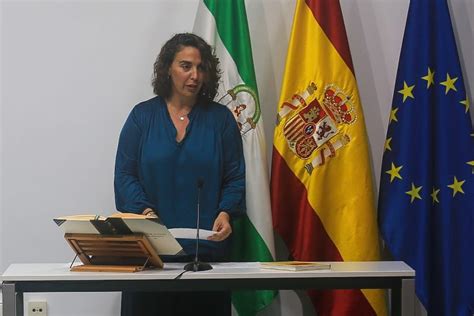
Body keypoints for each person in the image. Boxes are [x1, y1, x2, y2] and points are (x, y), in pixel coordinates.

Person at [114, 33, 245, 316]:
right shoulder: (142, 117)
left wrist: (225, 212)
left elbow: (234, 177)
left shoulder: (221, 119)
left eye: (201, 68)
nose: (195, 75)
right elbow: (125, 176)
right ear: (167, 69)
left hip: (206, 258)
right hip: (149, 256)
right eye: (186, 66)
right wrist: (144, 212)